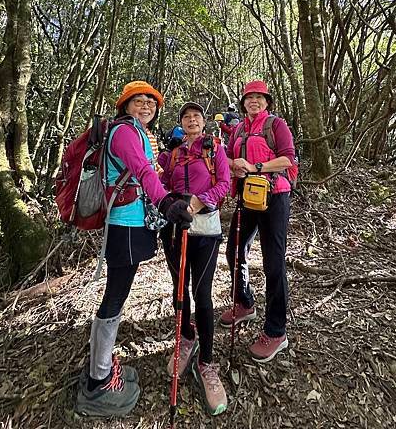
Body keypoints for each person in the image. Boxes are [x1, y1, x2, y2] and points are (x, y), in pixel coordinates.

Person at [76, 80, 193, 418]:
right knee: (115, 295)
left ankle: (100, 365)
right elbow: (141, 171)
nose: (145, 107)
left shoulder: (136, 133)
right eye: (138, 101)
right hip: (125, 225)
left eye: (151, 103)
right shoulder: (125, 132)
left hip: (131, 222)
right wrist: (167, 201)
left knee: (117, 293)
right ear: (125, 106)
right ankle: (98, 381)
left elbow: (145, 167)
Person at [160, 102, 230, 416]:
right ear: (181, 124)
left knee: (202, 295)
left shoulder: (215, 149)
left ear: (203, 123)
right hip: (175, 230)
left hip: (206, 231)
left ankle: (207, 363)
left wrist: (200, 203)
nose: (192, 120)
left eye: (196, 117)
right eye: (186, 117)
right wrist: (174, 203)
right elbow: (158, 182)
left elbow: (225, 184)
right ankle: (186, 339)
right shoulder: (172, 155)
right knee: (180, 290)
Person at [219, 80, 296, 363]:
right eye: (249, 98)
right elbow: (225, 158)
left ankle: (276, 331)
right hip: (247, 197)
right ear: (243, 103)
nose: (253, 101)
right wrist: (235, 167)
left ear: (267, 101)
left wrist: (256, 167)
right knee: (234, 251)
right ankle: (244, 302)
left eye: (259, 98)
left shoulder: (276, 125)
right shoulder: (238, 129)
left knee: (273, 261)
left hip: (275, 196)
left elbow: (288, 159)